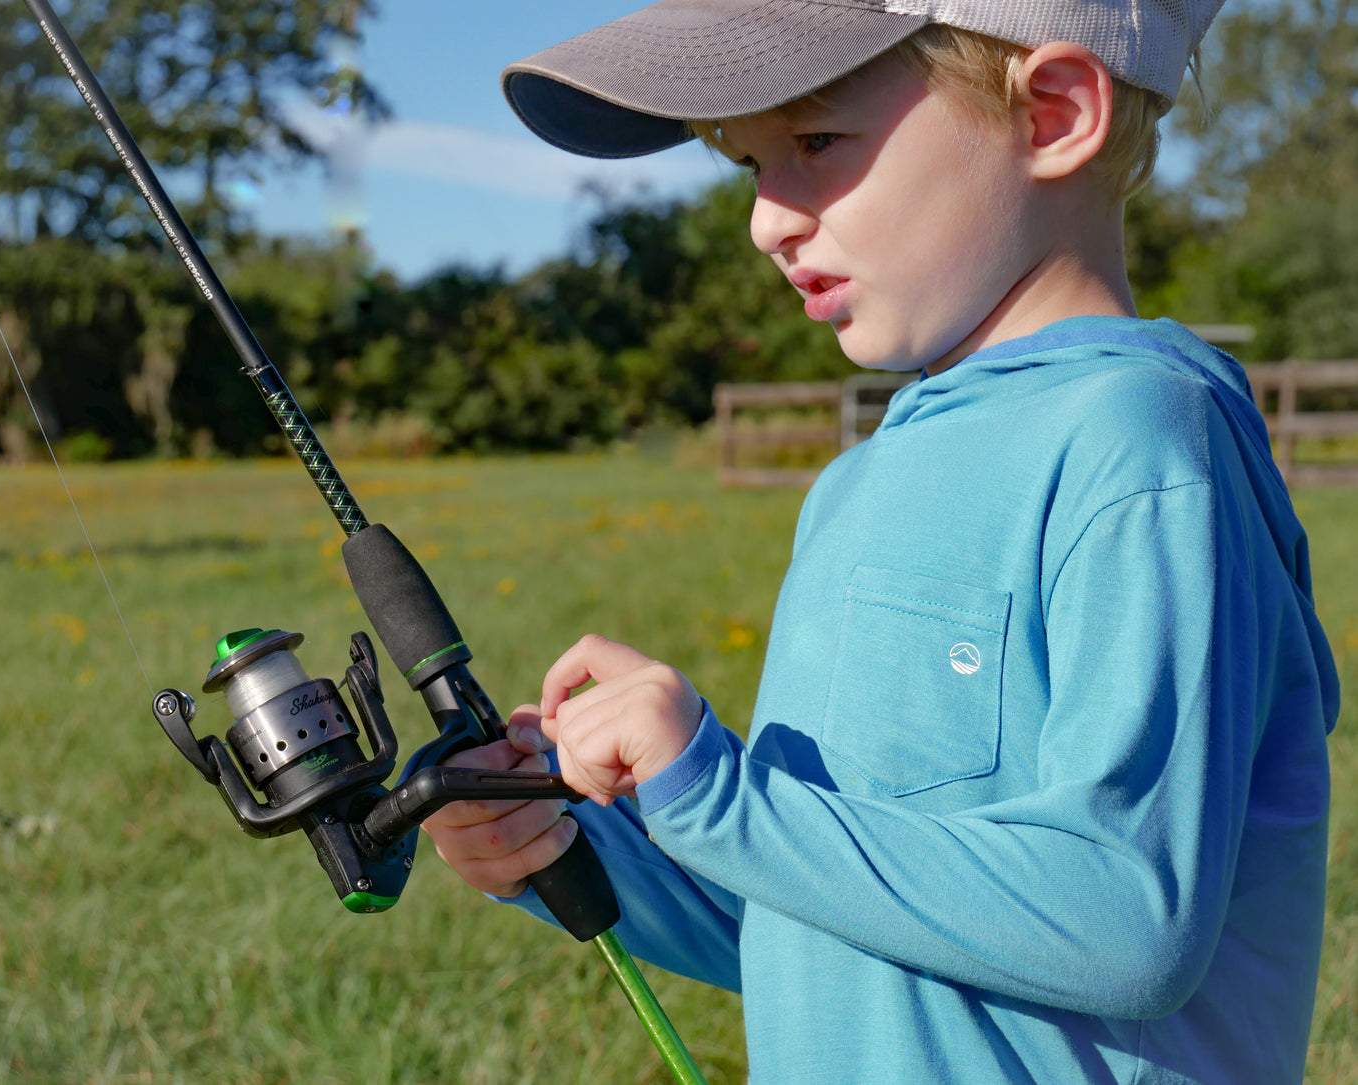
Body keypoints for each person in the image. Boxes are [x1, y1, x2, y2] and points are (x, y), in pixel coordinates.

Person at [421, 2, 1341, 1081]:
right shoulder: (855, 483)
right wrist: (568, 844)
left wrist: (720, 795)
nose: (766, 221)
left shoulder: (1137, 445)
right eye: (749, 163)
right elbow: (823, 916)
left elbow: (1128, 918)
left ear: (1051, 114)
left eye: (812, 142)